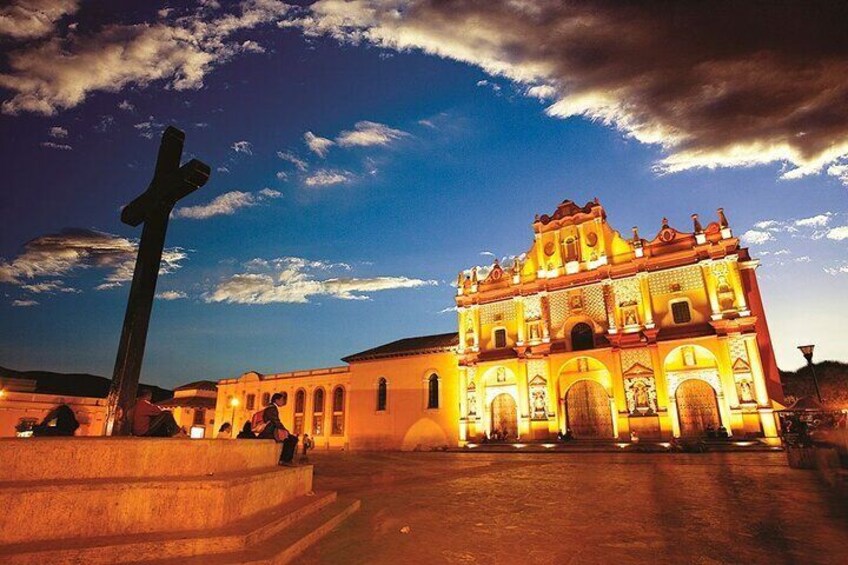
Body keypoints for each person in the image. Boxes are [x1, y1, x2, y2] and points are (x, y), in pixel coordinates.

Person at [259, 393, 298, 466]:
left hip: (271, 430)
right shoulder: (272, 408)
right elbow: (276, 421)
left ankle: (286, 459)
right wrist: (285, 430)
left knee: (289, 438)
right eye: (282, 400)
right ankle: (285, 459)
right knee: (292, 439)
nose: (283, 402)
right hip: (270, 432)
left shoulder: (271, 407)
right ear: (276, 400)